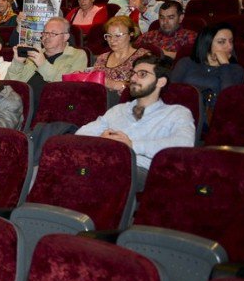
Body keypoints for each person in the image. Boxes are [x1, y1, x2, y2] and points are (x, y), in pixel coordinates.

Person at [79, 55, 195, 185]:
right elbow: (81, 133)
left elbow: (184, 143)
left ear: (160, 82)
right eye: (133, 73)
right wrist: (102, 140)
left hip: (142, 172)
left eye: (142, 74)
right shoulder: (118, 110)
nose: (133, 78)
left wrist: (132, 145)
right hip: (104, 162)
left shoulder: (177, 113)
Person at [170, 22, 244, 119]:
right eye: (221, 42)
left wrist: (225, 65)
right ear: (207, 43)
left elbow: (228, 101)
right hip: (178, 115)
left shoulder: (236, 70)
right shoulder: (186, 63)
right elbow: (170, 92)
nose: (229, 47)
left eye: (231, 41)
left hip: (211, 119)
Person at [8, 17, 89, 96]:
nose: (47, 36)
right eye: (45, 33)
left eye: (53, 33)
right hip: (22, 104)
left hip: (54, 105)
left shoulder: (78, 55)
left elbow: (70, 88)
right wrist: (17, 63)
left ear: (65, 37)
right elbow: (9, 86)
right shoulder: (34, 55)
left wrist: (43, 65)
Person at [92, 16, 151, 93]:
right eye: (109, 36)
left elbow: (146, 86)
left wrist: (114, 84)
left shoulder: (143, 56)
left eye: (118, 35)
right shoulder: (102, 58)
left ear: (131, 34)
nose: (112, 40)